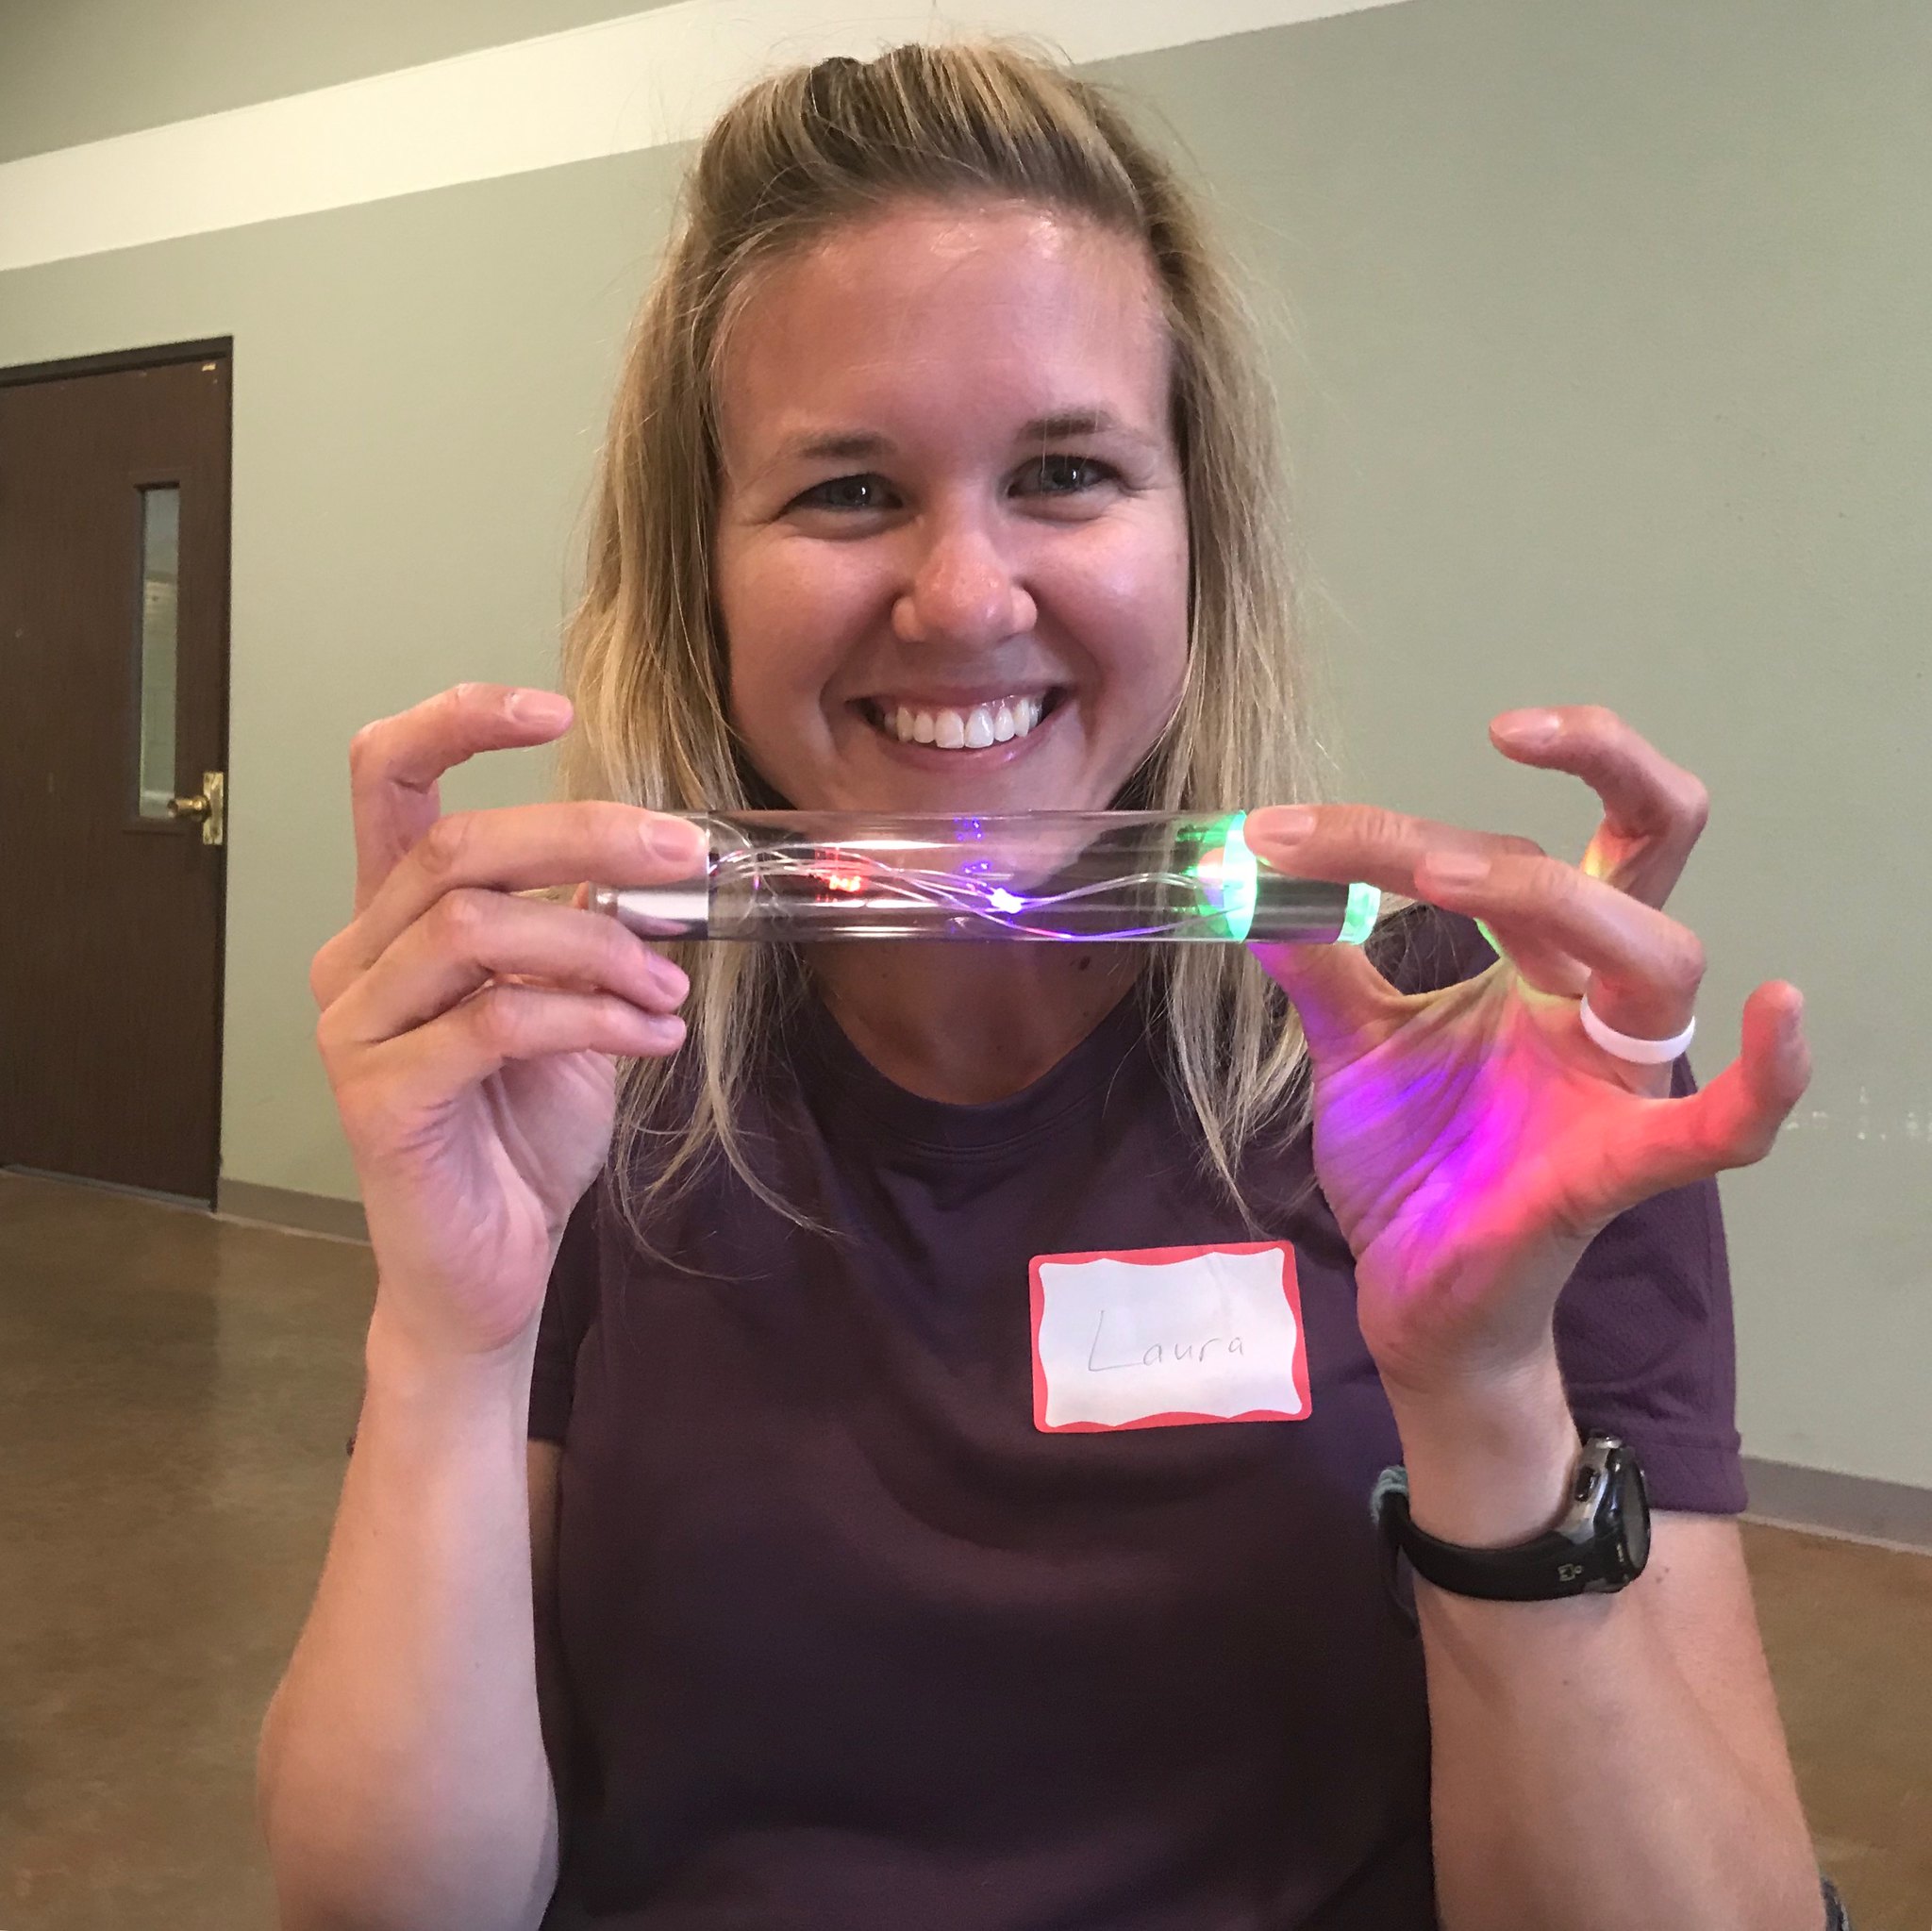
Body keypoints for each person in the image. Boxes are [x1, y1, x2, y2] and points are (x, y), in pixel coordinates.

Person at [258, 41, 1836, 1931]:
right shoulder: (591, 1059)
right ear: (704, 573)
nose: (965, 598)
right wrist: (447, 1334)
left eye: (1067, 473)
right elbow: (388, 1909)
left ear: (1196, 535)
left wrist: (1489, 1389)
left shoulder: (1477, 1071)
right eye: (848, 490)